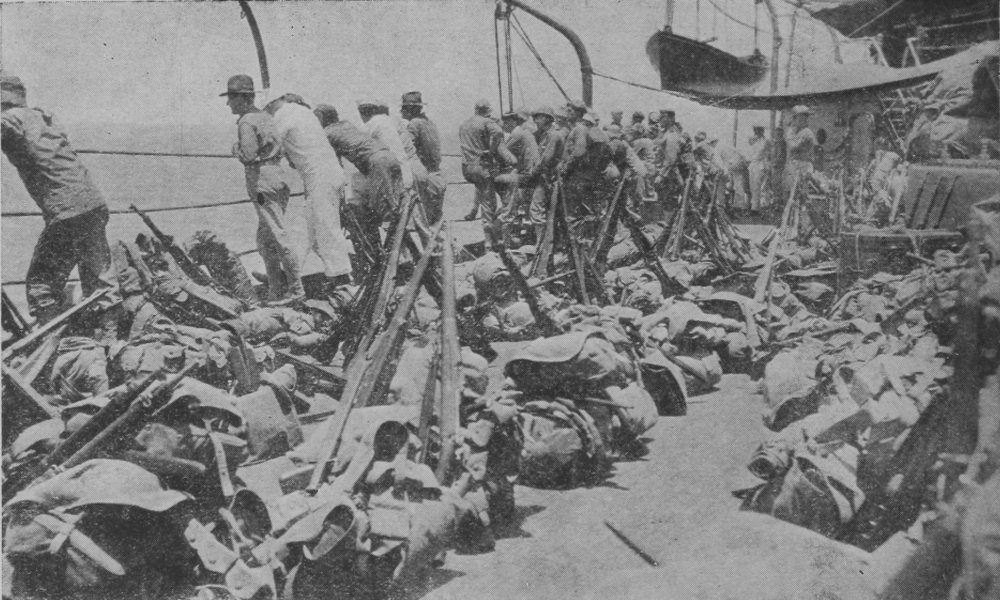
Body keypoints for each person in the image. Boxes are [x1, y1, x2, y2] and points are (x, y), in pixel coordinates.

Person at [1, 73, 119, 326]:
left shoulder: (10, 119)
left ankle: (51, 338)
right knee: (98, 277)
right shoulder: (44, 117)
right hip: (93, 205)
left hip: (67, 213)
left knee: (41, 284)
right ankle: (109, 335)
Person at [222, 75, 303, 305]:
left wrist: (236, 149)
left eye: (231, 98)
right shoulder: (266, 116)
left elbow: (248, 155)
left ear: (241, 99)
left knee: (277, 234)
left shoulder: (246, 121)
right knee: (265, 238)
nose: (228, 103)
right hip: (277, 178)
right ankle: (276, 290)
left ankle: (296, 290)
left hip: (261, 185)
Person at [264, 93, 353, 290]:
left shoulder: (282, 116)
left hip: (319, 177)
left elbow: (269, 145)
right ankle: (288, 271)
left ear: (270, 105)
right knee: (304, 229)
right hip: (328, 173)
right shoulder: (302, 111)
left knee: (326, 226)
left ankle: (342, 278)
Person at [312, 104, 403, 275]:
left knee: (377, 214)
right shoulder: (346, 124)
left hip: (376, 163)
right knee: (391, 210)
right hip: (389, 157)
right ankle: (387, 256)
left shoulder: (327, 133)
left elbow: (334, 165)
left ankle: (379, 262)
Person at [459, 99, 513, 247]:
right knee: (490, 205)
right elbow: (498, 132)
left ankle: (475, 212)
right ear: (488, 112)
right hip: (482, 168)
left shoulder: (464, 124)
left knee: (482, 192)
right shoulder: (487, 123)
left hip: (467, 168)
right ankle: (490, 244)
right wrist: (491, 150)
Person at [495, 110, 540, 247]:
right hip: (532, 174)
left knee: (496, 179)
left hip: (528, 176)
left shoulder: (517, 133)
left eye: (505, 122)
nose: (503, 125)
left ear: (513, 122)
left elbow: (502, 151)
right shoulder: (525, 133)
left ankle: (501, 233)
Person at [401, 91, 446, 223]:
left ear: (410, 109)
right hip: (437, 176)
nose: (401, 111)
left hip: (426, 180)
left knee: (423, 223)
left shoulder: (414, 124)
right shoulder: (429, 123)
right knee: (436, 223)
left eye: (403, 108)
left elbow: (405, 148)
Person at [784, 105, 816, 195]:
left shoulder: (807, 132)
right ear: (794, 119)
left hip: (804, 164)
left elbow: (795, 146)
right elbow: (792, 146)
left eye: (805, 118)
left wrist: (797, 142)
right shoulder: (791, 132)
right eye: (800, 118)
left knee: (803, 192)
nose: (803, 120)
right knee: (790, 190)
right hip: (793, 164)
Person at [746, 124, 773, 212]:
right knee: (752, 186)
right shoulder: (753, 140)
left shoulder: (766, 141)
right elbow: (750, 147)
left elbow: (769, 153)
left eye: (758, 130)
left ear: (762, 131)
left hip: (761, 164)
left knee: (760, 186)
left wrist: (768, 165)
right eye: (755, 130)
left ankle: (760, 207)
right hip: (753, 164)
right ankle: (754, 206)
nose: (756, 132)